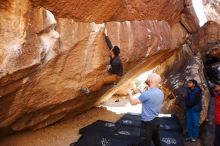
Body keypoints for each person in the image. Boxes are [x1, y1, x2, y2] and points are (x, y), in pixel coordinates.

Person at [127, 73, 164, 146]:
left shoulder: (147, 94)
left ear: (150, 81)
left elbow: (133, 102)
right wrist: (143, 94)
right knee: (156, 140)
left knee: (144, 142)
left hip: (147, 123)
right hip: (156, 120)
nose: (146, 79)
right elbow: (150, 102)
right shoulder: (161, 93)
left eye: (147, 78)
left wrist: (129, 93)